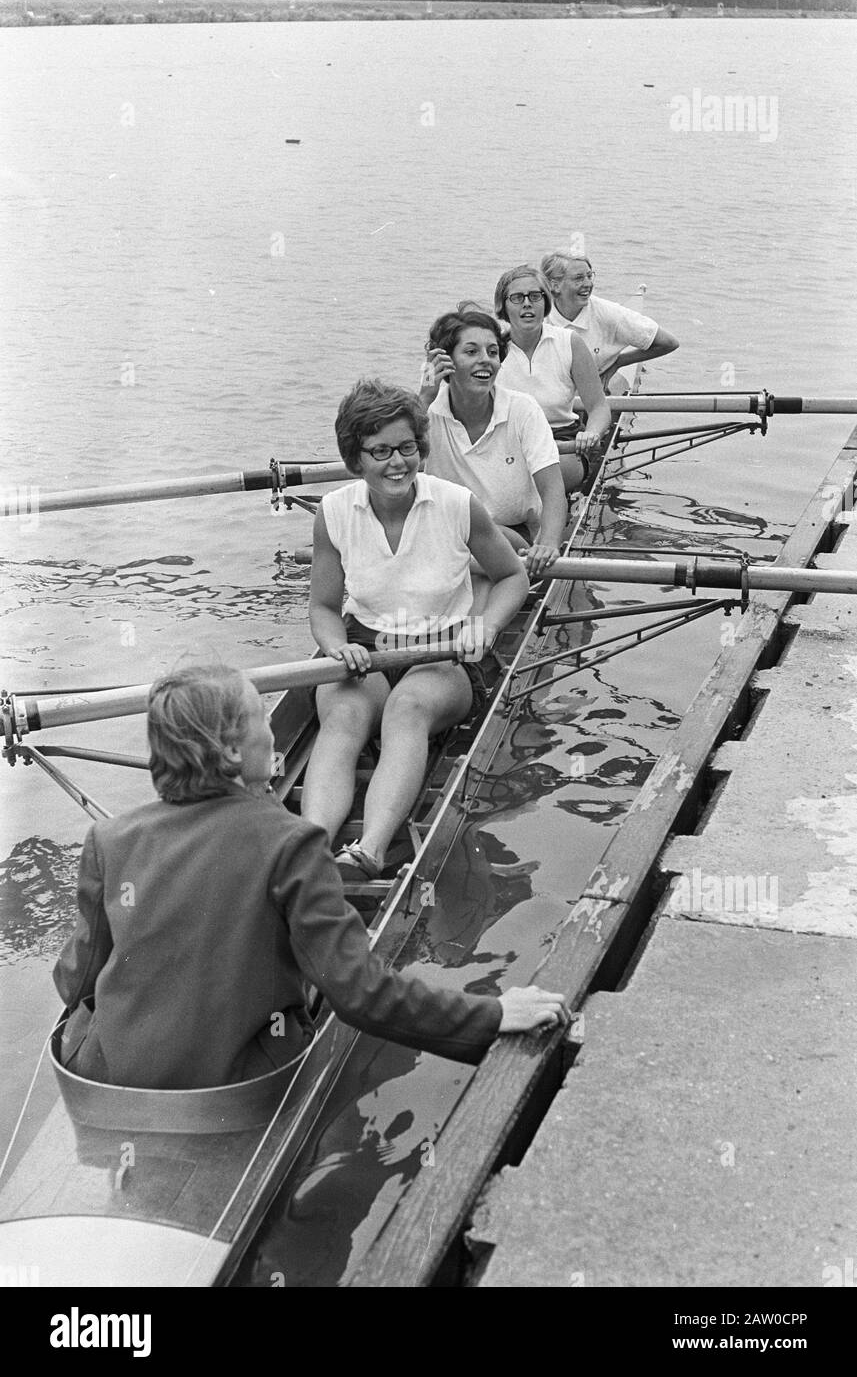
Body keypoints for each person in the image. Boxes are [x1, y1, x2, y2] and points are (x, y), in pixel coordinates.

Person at [54, 665, 567, 1090]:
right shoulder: (292, 842)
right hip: (234, 1084)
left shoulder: (109, 838)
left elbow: (73, 980)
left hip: (103, 1073)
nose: (271, 733)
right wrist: (494, 1013)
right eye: (261, 720)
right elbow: (361, 995)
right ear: (233, 752)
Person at [300, 379, 529, 884]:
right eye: (379, 451)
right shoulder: (333, 513)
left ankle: (370, 851)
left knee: (406, 711)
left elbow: (514, 575)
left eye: (407, 447)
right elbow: (321, 607)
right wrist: (337, 647)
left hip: (445, 651)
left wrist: (485, 628)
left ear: (422, 449)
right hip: (365, 646)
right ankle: (310, 853)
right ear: (355, 459)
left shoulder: (457, 504)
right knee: (343, 717)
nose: (396, 463)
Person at [420, 309, 568, 576]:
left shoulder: (523, 409)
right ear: (444, 361)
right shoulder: (424, 414)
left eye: (492, 352)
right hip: (444, 536)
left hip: (514, 540)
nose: (486, 361)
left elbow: (553, 490)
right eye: (471, 352)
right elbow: (393, 468)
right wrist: (425, 393)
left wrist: (548, 544)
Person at [491, 265, 613, 494]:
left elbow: (598, 407)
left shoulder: (570, 342)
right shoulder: (491, 350)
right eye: (517, 298)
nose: (527, 303)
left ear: (545, 303)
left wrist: (592, 434)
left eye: (535, 296)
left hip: (562, 443)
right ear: (503, 307)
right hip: (507, 443)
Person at [541, 251, 679, 389]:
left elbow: (668, 343)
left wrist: (619, 362)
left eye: (589, 276)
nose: (588, 284)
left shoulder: (608, 313)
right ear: (554, 285)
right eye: (579, 278)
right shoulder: (536, 316)